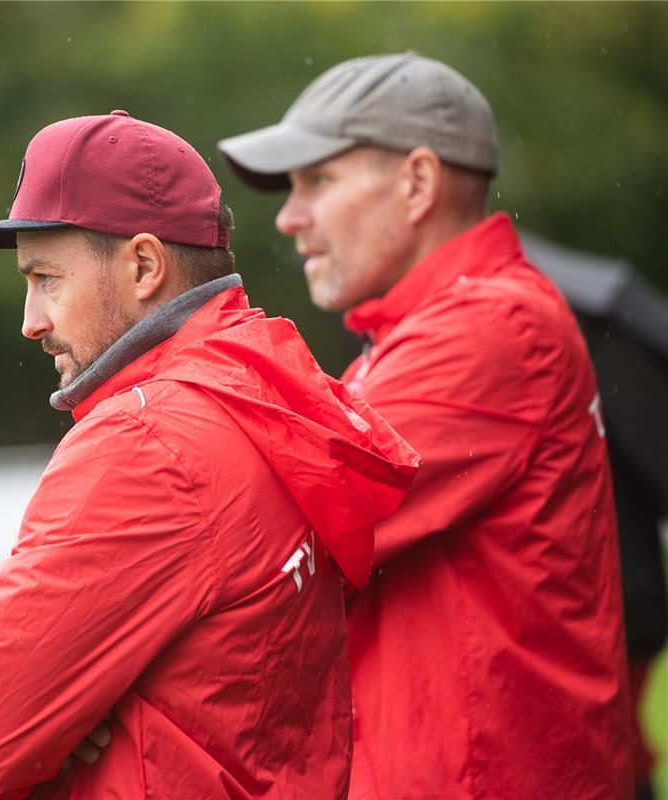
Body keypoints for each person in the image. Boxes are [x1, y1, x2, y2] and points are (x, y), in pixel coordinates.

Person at [0, 110, 419, 799]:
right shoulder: (262, 393)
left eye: (47, 279)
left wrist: (67, 715)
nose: (30, 321)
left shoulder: (150, 441)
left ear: (145, 266)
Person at [218, 52, 635, 799]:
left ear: (416, 183)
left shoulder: (490, 326)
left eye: (318, 181)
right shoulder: (434, 329)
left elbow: (263, 538)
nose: (289, 216)